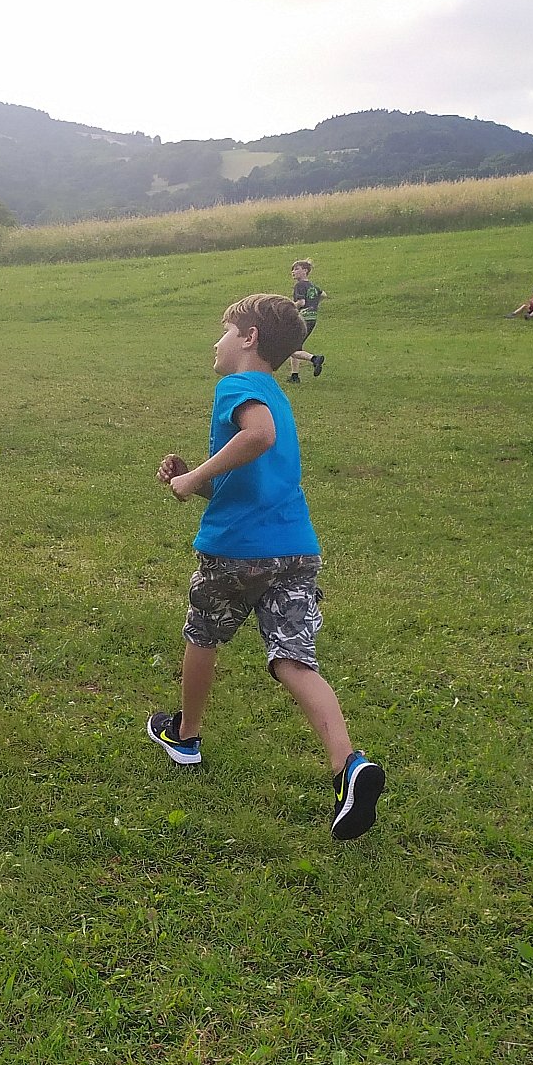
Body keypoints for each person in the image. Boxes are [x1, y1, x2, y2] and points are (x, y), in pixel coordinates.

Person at [147, 291, 384, 841]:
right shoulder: (277, 395)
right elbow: (245, 480)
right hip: (295, 549)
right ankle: (349, 767)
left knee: (203, 635)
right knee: (294, 660)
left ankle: (186, 735)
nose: (217, 341)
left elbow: (259, 436)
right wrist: (197, 480)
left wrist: (191, 476)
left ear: (249, 338)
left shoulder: (238, 386)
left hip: (234, 550)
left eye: (226, 331)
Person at [284, 258, 326, 383]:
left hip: (302, 319)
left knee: (289, 348)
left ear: (305, 271)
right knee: (296, 346)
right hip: (312, 318)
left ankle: (314, 359)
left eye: (297, 269)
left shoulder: (299, 285)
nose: (293, 272)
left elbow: (301, 302)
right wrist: (314, 305)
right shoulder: (312, 286)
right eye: (292, 270)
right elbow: (323, 295)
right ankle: (294, 375)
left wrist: (289, 307)